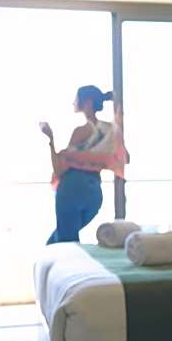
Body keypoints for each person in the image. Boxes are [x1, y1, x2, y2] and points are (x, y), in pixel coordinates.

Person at [40, 85, 128, 244]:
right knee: (58, 239)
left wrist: (50, 139)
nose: (73, 102)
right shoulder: (110, 130)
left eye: (76, 99)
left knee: (65, 241)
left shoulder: (81, 131)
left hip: (72, 188)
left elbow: (59, 168)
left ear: (87, 102)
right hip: (94, 193)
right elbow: (124, 158)